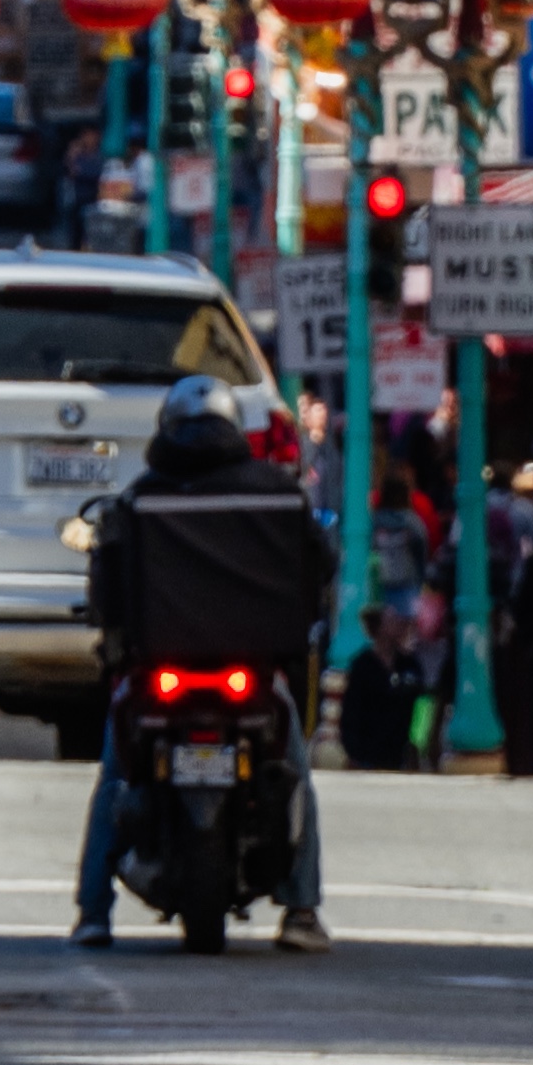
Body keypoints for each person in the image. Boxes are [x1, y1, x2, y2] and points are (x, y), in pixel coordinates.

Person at [73, 378, 337, 954]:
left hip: (160, 677)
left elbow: (107, 591)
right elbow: (320, 565)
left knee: (114, 776)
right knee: (295, 774)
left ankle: (93, 911)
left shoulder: (139, 500)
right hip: (250, 676)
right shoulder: (279, 494)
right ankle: (302, 908)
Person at [336, 597, 424, 772]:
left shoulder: (408, 664)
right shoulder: (363, 665)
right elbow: (351, 711)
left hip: (398, 754)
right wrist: (354, 751)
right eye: (391, 621)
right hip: (367, 755)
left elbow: (419, 699)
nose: (398, 624)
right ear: (379, 628)